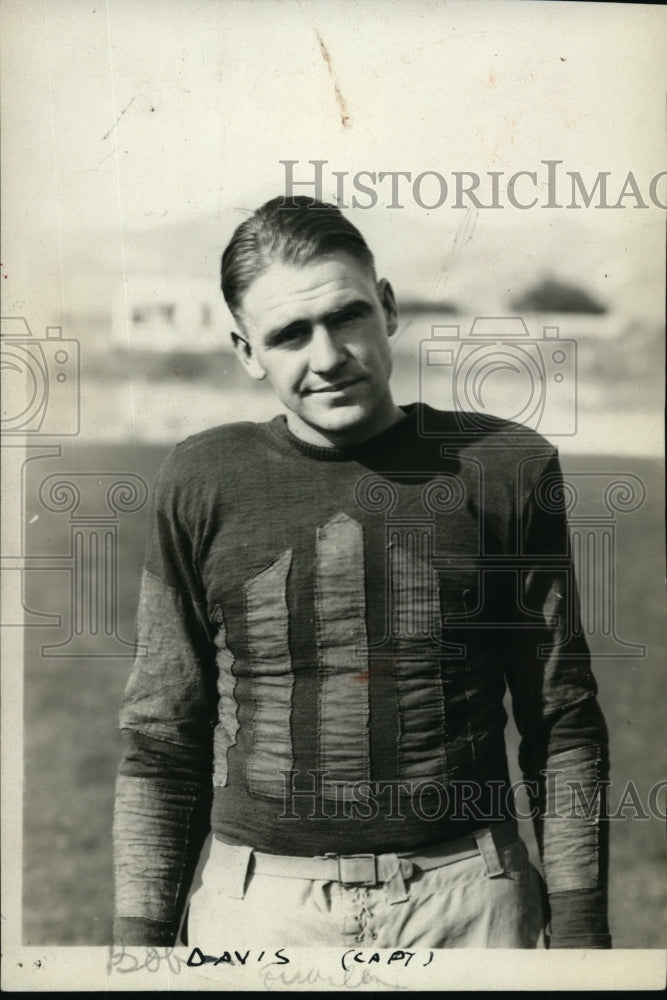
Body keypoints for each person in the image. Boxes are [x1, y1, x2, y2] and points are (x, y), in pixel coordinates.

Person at [112, 195, 611, 950]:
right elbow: (161, 736)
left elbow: (560, 718)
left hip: (467, 899)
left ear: (386, 307)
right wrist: (137, 947)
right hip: (260, 909)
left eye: (345, 316)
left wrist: (579, 934)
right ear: (247, 352)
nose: (327, 356)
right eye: (288, 334)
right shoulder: (202, 477)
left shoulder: (503, 466)